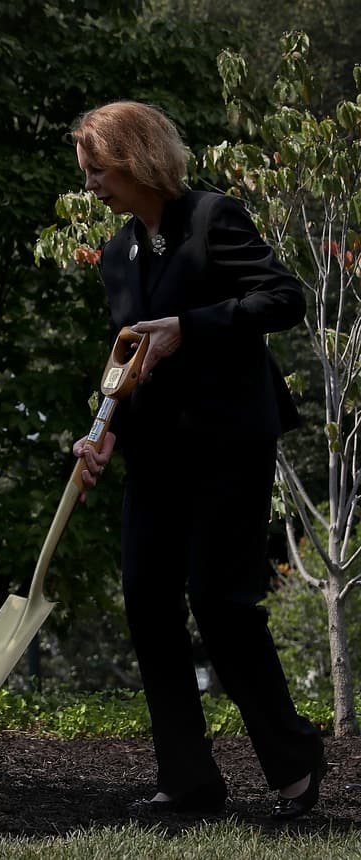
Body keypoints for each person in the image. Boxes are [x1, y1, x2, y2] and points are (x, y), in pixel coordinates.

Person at [70, 100, 325, 819]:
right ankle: (189, 780)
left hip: (229, 443)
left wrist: (189, 326)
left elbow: (283, 299)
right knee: (148, 605)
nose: (91, 184)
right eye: (85, 172)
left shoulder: (216, 218)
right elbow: (124, 358)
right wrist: (102, 431)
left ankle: (294, 758)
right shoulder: (119, 252)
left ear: (137, 158)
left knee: (221, 603)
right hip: (152, 449)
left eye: (98, 169)